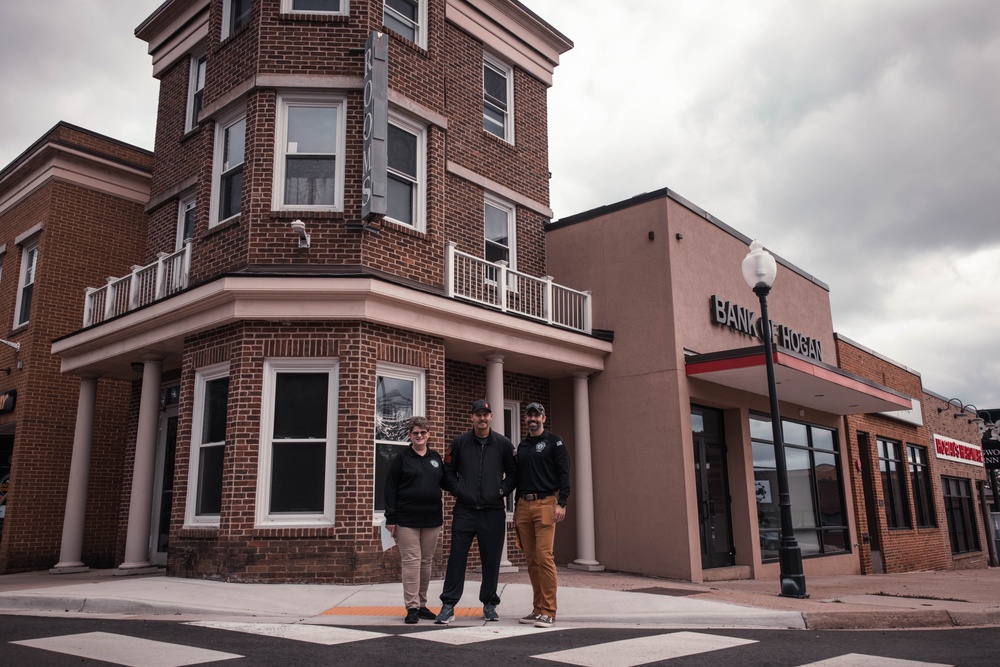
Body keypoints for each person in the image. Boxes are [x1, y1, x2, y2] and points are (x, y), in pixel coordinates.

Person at [435, 399, 517, 624]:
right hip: (465, 510)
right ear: (471, 417)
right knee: (457, 558)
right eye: (478, 414)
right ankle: (448, 605)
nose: (482, 418)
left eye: (485, 414)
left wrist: (502, 491)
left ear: (491, 417)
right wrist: (459, 490)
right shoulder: (459, 443)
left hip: (493, 511)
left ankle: (489, 604)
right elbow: (447, 472)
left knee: (491, 560)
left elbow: (513, 474)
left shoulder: (503, 444)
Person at [384, 416, 447, 624]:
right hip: (406, 519)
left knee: (426, 561)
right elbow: (390, 488)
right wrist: (390, 518)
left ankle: (421, 605)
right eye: (415, 433)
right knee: (411, 561)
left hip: (432, 518)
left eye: (423, 432)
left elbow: (448, 482)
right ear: (410, 435)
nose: (419, 436)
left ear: (428, 434)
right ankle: (411, 607)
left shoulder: (436, 458)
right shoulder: (402, 459)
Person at [514, 402, 570, 628]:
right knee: (532, 560)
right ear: (525, 419)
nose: (532, 419)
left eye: (537, 415)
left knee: (544, 557)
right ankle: (537, 609)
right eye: (529, 416)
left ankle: (549, 611)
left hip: (546, 503)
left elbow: (564, 472)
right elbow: (518, 477)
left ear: (544, 418)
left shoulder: (554, 442)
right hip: (524, 506)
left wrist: (562, 502)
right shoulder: (523, 445)